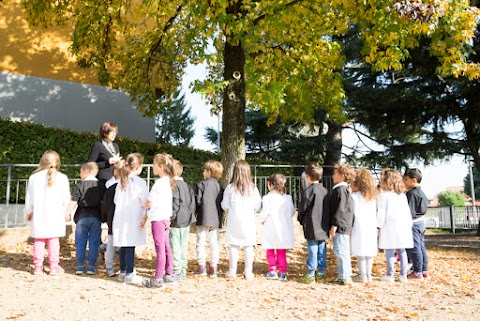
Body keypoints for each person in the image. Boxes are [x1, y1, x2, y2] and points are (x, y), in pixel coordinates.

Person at [25, 150, 70, 276]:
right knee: (53, 239)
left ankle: (38, 267)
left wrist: (29, 211)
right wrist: (66, 212)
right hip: (56, 214)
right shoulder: (62, 178)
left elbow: (30, 197)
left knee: (39, 239)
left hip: (39, 212)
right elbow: (66, 198)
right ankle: (54, 267)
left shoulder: (34, 178)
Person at [221, 160, 262, 281]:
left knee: (234, 245)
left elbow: (224, 205)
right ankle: (248, 272)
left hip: (234, 221)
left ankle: (232, 271)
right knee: (248, 246)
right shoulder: (252, 188)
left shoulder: (230, 188)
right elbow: (258, 205)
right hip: (248, 221)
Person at [141, 153, 176, 288]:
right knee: (166, 247)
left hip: (157, 219)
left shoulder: (159, 183)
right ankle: (169, 273)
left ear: (161, 166)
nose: (153, 167)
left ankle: (157, 278)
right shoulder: (168, 181)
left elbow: (149, 201)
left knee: (160, 248)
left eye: (154, 164)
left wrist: (143, 204)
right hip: (165, 218)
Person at [112, 153, 148, 284]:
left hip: (121, 216)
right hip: (133, 217)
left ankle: (122, 271)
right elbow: (144, 200)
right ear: (138, 166)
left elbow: (116, 200)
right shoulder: (139, 182)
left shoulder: (120, 182)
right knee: (130, 244)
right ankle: (129, 272)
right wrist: (146, 212)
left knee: (123, 243)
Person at [64, 162, 105, 275]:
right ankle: (91, 266)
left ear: (86, 171)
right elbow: (104, 202)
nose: (80, 174)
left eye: (81, 172)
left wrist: (67, 213)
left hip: (82, 216)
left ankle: (80, 266)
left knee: (80, 242)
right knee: (94, 242)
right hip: (96, 217)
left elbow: (73, 201)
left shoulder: (79, 185)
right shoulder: (100, 186)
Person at [377, 169, 413, 283]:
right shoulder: (402, 195)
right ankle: (403, 275)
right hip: (402, 225)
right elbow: (407, 212)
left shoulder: (384, 196)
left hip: (389, 226)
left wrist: (378, 226)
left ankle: (390, 274)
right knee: (402, 250)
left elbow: (381, 213)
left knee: (389, 249)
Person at [297, 162, 330, 284]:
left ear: (308, 176)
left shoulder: (308, 191)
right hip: (323, 225)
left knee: (312, 248)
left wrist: (301, 219)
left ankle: (311, 273)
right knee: (322, 249)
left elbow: (303, 208)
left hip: (311, 224)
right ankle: (321, 273)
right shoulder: (325, 191)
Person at [260, 173, 295, 281]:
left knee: (270, 250)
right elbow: (292, 211)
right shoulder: (287, 198)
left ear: (270, 184)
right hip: (283, 229)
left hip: (271, 228)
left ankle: (272, 270)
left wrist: (261, 220)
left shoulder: (267, 198)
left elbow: (264, 213)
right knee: (281, 251)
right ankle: (282, 272)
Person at [195, 160, 224, 277]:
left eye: (204, 171)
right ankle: (214, 267)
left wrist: (195, 213)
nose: (203, 173)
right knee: (214, 244)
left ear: (208, 172)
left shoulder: (201, 185)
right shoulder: (220, 187)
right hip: (216, 218)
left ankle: (201, 266)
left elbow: (197, 201)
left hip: (203, 217)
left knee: (200, 242)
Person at [350, 168, 378, 283]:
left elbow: (352, 212)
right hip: (371, 225)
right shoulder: (372, 197)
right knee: (369, 250)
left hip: (358, 224)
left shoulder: (355, 197)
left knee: (360, 250)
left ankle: (362, 274)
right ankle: (368, 274)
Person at [329, 163, 355, 285]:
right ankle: (344, 275)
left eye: (335, 173)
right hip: (344, 225)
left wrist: (334, 225)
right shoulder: (345, 190)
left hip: (341, 226)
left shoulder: (341, 190)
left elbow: (340, 209)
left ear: (342, 175)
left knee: (341, 251)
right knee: (341, 250)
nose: (333, 176)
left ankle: (344, 276)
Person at [170, 160, 196, 281]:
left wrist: (171, 217)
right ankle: (183, 267)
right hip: (187, 219)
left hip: (176, 220)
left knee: (175, 245)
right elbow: (192, 203)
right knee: (183, 244)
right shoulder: (187, 186)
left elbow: (174, 203)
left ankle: (176, 269)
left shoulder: (174, 186)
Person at [403, 168, 430, 280]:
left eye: (406, 180)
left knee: (415, 248)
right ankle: (424, 270)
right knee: (421, 247)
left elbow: (408, 211)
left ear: (413, 180)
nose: (404, 182)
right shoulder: (422, 193)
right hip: (421, 222)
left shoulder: (411, 194)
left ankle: (417, 271)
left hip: (413, 223)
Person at [101, 161, 123, 277]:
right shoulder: (125, 187)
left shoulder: (110, 187)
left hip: (112, 218)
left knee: (110, 243)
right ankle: (123, 266)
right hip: (121, 220)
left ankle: (109, 267)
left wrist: (104, 218)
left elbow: (105, 205)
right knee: (122, 243)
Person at [87, 121, 121, 186]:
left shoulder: (116, 146)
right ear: (105, 132)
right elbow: (90, 164)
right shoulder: (98, 145)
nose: (114, 134)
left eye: (115, 132)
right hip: (103, 180)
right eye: (111, 132)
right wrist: (107, 162)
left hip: (115, 179)